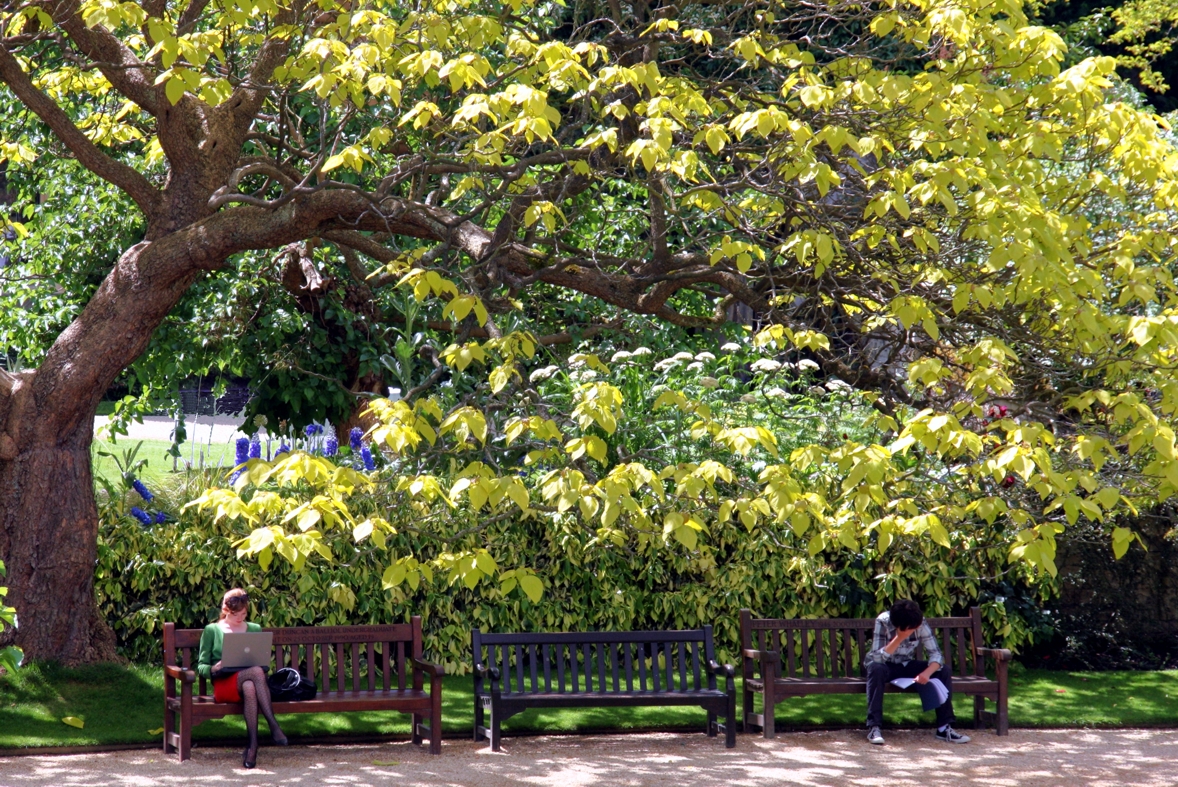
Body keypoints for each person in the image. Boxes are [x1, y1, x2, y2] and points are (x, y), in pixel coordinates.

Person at [197, 588, 287, 768]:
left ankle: (252, 746)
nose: (240, 618)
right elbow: (201, 666)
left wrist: (259, 663)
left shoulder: (254, 628)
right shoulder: (212, 630)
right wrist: (214, 668)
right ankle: (273, 724)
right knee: (255, 673)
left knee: (250, 684)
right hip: (224, 683)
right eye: (236, 614)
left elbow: (262, 663)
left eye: (244, 614)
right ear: (226, 611)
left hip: (248, 681)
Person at [864, 599, 970, 745]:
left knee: (943, 670)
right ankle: (874, 727)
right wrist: (899, 638)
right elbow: (876, 657)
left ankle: (944, 728)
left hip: (907, 665)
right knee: (876, 668)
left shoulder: (919, 621)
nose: (915, 628)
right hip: (885, 666)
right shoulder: (883, 621)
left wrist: (927, 672)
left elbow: (936, 654)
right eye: (911, 628)